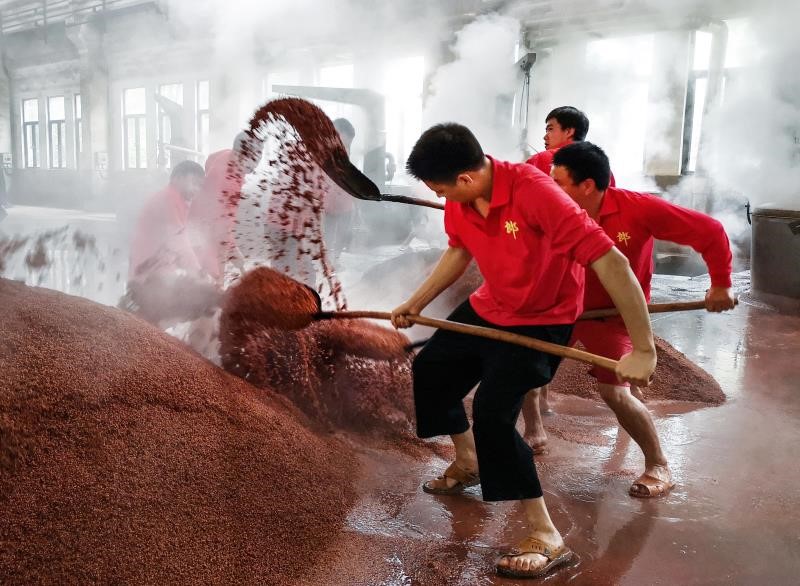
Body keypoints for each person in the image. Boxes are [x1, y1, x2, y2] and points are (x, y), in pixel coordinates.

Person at [391, 123, 657, 579]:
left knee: (494, 414)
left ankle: (546, 535)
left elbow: (611, 261)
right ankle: (469, 461)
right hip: (492, 304)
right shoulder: (461, 200)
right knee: (432, 369)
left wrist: (645, 349)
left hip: (544, 316)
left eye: (441, 190)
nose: (440, 199)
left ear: (467, 179)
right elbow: (459, 249)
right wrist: (415, 302)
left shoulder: (538, 194)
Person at [522, 141, 735, 499]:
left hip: (614, 316)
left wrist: (721, 283)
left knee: (614, 391)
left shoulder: (638, 209)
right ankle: (535, 432)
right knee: (525, 365)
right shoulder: (553, 209)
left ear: (586, 186)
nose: (550, 188)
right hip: (562, 308)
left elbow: (710, 231)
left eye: (557, 181)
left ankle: (658, 464)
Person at [188, 132, 263, 282]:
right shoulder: (225, 181)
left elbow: (210, 158)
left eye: (258, 160)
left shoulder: (227, 155)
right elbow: (221, 224)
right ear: (240, 153)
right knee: (210, 281)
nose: (254, 167)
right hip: (206, 233)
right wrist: (233, 249)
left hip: (204, 225)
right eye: (252, 160)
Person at [128, 160, 206, 281]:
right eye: (194, 183)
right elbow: (178, 240)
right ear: (177, 178)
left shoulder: (177, 200)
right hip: (148, 266)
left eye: (200, 186)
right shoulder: (169, 199)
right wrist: (198, 273)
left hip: (157, 263)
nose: (197, 189)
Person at [526, 106, 615, 188]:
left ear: (569, 132)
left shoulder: (540, 160)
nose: (545, 137)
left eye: (550, 129)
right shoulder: (605, 170)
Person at [323, 118, 357, 262]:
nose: (347, 143)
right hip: (329, 202)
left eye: (349, 141)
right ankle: (328, 262)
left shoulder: (345, 150)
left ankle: (334, 261)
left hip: (345, 202)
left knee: (343, 233)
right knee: (329, 235)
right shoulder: (324, 149)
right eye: (347, 139)